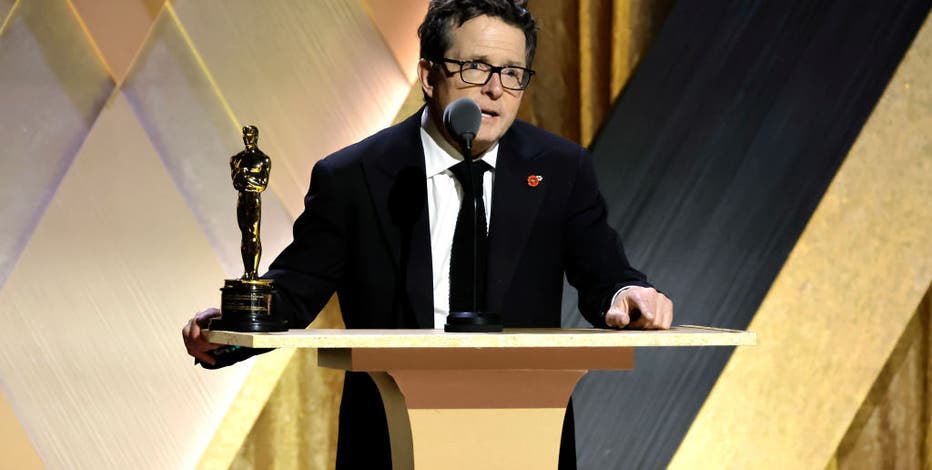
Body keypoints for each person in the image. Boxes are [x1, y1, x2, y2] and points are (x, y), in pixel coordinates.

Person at [183, 1, 673, 468]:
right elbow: (295, 290)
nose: (495, 89)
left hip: (525, 441)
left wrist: (628, 294)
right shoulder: (355, 176)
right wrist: (229, 330)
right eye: (476, 67)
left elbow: (604, 274)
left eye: (512, 72)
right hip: (391, 443)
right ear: (428, 75)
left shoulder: (561, 169)